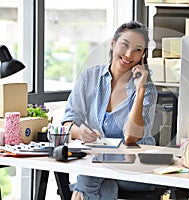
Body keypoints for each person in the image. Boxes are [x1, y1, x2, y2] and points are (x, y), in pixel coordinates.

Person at [61, 21, 158, 200]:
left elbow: (131, 137)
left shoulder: (148, 89)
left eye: (137, 50)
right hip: (99, 168)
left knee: (89, 174)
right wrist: (79, 132)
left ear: (143, 56)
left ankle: (80, 191)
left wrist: (140, 89)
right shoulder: (89, 77)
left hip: (137, 169)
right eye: (125, 45)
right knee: (106, 187)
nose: (129, 54)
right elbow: (68, 121)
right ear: (113, 44)